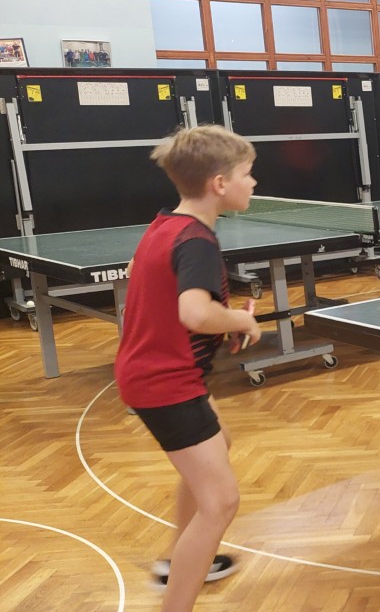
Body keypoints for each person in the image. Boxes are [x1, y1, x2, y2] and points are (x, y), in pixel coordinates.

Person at [114, 125, 261, 611]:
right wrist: (239, 319)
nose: (253, 182)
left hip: (158, 370)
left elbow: (149, 283)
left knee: (221, 439)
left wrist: (221, 325)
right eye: (247, 173)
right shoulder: (197, 241)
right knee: (221, 502)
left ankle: (176, 557)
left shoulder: (165, 225)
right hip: (166, 382)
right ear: (219, 184)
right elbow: (194, 313)